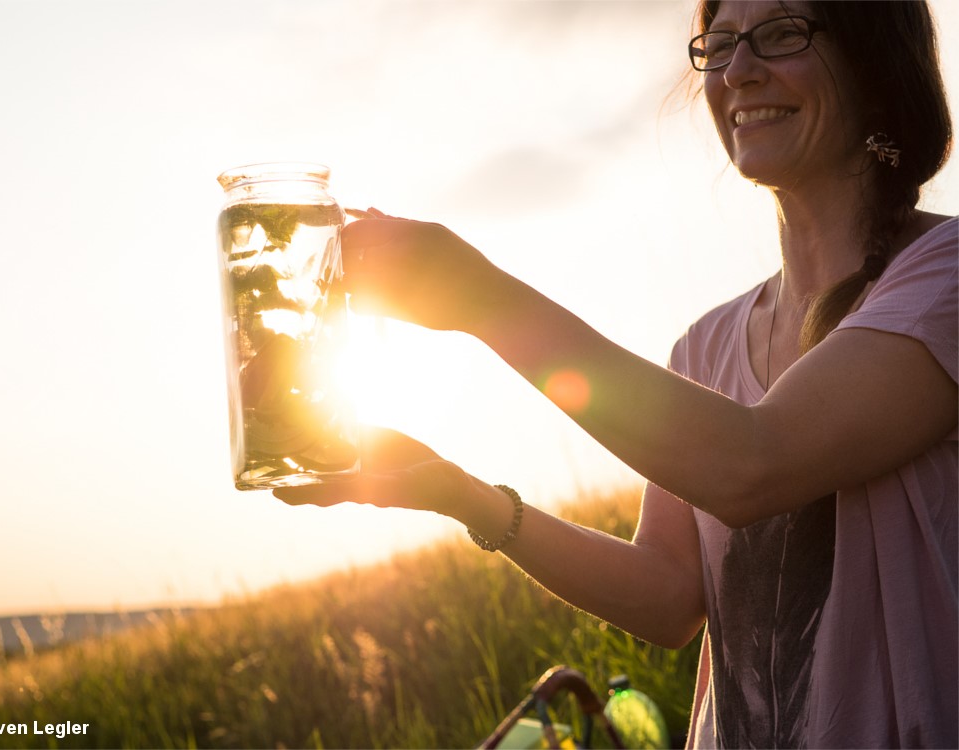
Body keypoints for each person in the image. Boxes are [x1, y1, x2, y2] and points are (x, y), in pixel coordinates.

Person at [274, 1, 957, 746]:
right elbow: (667, 599)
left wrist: (480, 299)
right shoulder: (706, 347)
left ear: (875, 61)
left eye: (783, 33)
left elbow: (753, 465)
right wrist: (459, 494)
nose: (737, 70)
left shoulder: (943, 280)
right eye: (720, 44)